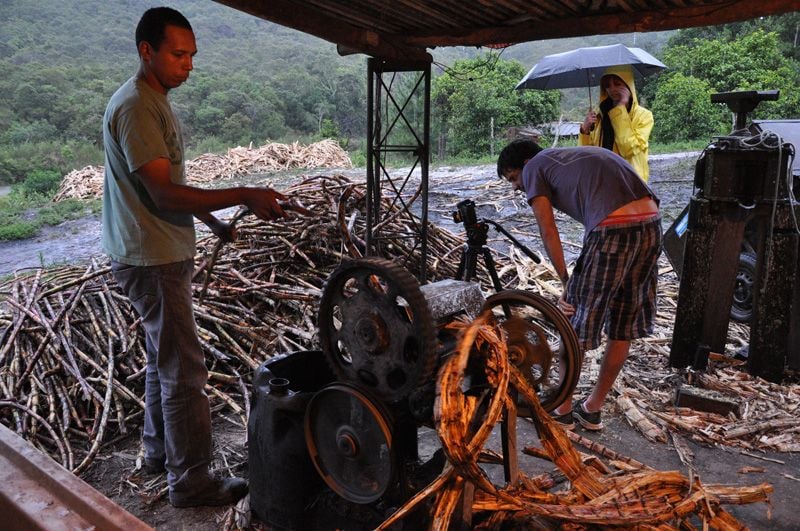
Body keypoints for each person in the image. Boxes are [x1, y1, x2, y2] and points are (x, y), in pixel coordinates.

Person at [102, 7, 288, 508]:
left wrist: (212, 222)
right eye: (178, 54)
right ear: (148, 51)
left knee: (161, 359)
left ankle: (158, 453)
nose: (188, 65)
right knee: (185, 371)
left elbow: (170, 186)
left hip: (157, 251)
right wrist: (245, 192)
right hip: (153, 258)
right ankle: (191, 481)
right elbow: (162, 196)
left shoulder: (152, 100)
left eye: (192, 56)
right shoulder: (138, 107)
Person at [496, 140, 662, 431]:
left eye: (512, 179)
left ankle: (561, 408)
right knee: (624, 325)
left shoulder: (535, 165)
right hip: (651, 223)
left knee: (573, 322)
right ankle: (592, 409)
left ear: (524, 164)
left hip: (612, 228)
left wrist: (565, 282)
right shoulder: (574, 156)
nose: (515, 188)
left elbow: (548, 230)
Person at [579, 66, 653, 182]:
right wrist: (585, 130)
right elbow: (587, 155)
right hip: (603, 179)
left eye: (617, 84)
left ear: (628, 85)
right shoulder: (599, 115)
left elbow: (628, 149)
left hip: (631, 181)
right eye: (607, 85)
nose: (612, 89)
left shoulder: (644, 116)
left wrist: (620, 109)